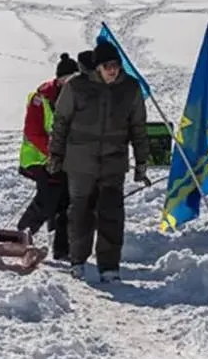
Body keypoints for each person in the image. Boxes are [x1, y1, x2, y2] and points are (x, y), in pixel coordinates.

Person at [48, 39, 150, 282]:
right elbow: (60, 123)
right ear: (97, 67)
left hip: (113, 161)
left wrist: (141, 162)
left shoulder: (130, 88)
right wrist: (56, 155)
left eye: (116, 65)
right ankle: (78, 260)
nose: (112, 70)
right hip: (80, 162)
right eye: (107, 66)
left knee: (111, 213)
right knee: (80, 212)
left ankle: (109, 266)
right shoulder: (76, 87)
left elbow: (138, 127)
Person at [17, 53, 79, 260]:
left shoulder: (77, 97)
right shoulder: (41, 98)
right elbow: (33, 132)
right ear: (59, 79)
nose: (71, 83)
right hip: (39, 158)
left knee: (66, 201)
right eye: (67, 79)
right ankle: (21, 235)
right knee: (48, 199)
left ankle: (62, 249)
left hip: (63, 160)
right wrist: (54, 153)